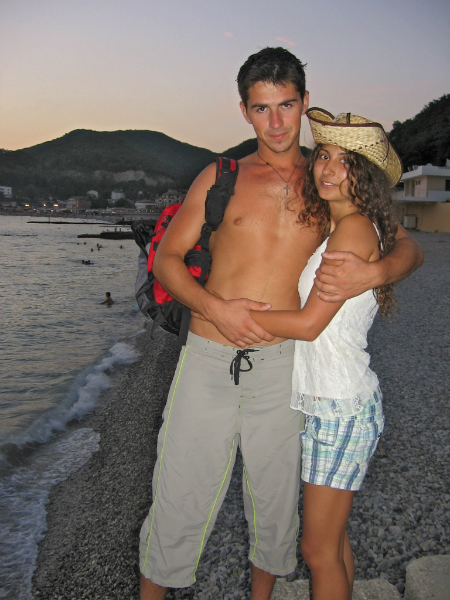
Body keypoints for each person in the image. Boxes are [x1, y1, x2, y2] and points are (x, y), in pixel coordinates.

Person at [139, 47, 423, 600]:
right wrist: (216, 308)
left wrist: (377, 272)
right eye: (261, 108)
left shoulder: (328, 182)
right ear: (244, 111)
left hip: (282, 369)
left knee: (273, 509)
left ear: (304, 102)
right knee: (176, 498)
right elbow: (167, 259)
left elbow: (406, 245)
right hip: (206, 360)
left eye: (286, 105)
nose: (275, 123)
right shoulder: (221, 176)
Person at [249, 107, 402, 599]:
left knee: (317, 551)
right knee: (332, 541)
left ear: (364, 177)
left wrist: (236, 314)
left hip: (340, 408)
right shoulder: (346, 227)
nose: (328, 169)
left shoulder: (354, 229)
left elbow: (309, 325)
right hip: (332, 404)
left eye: (345, 162)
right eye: (324, 156)